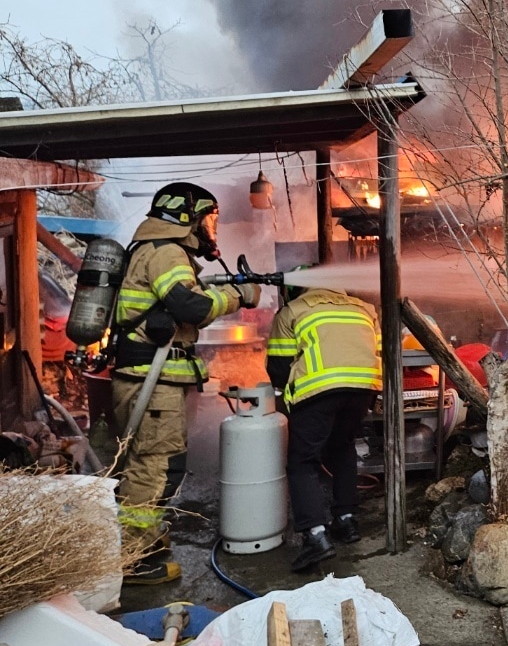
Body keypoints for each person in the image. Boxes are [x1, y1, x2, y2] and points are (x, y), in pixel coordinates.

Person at [112, 182, 258, 584]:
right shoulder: (166, 252)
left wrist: (222, 289)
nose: (214, 226)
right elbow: (189, 306)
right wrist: (238, 297)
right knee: (154, 467)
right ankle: (134, 560)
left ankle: (146, 544)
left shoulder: (156, 251)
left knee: (156, 465)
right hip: (150, 382)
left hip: (151, 381)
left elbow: (180, 299)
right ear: (186, 216)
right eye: (210, 217)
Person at [265, 271, 382, 572]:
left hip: (316, 393)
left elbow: (278, 364)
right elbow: (375, 351)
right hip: (362, 390)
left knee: (302, 461)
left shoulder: (293, 310)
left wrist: (286, 394)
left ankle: (315, 535)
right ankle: (346, 521)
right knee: (342, 449)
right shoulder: (364, 309)